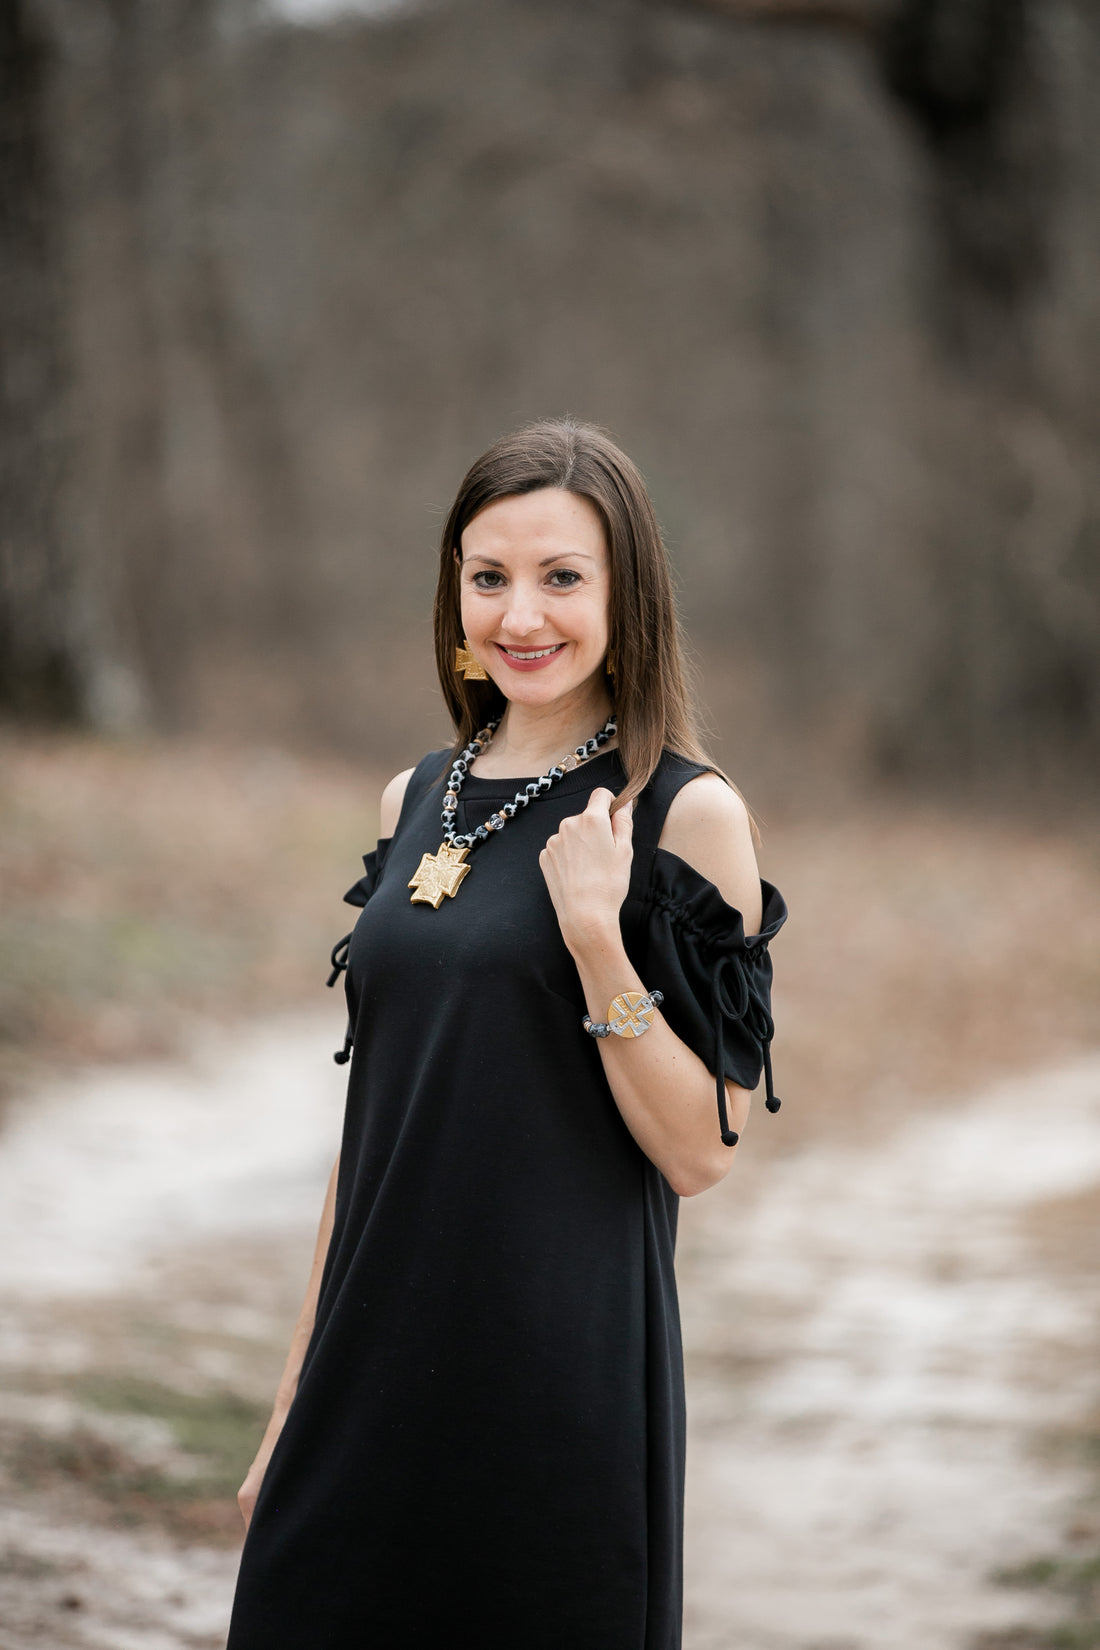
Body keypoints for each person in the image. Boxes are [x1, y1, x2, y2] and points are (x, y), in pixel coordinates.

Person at [225, 418, 786, 1650]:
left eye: (561, 578)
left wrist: (595, 940)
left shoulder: (686, 815)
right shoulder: (414, 797)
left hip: (551, 1384)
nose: (519, 614)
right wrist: (291, 1397)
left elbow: (700, 1152)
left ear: (625, 595)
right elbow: (379, 1122)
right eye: (489, 577)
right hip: (368, 1370)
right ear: (454, 592)